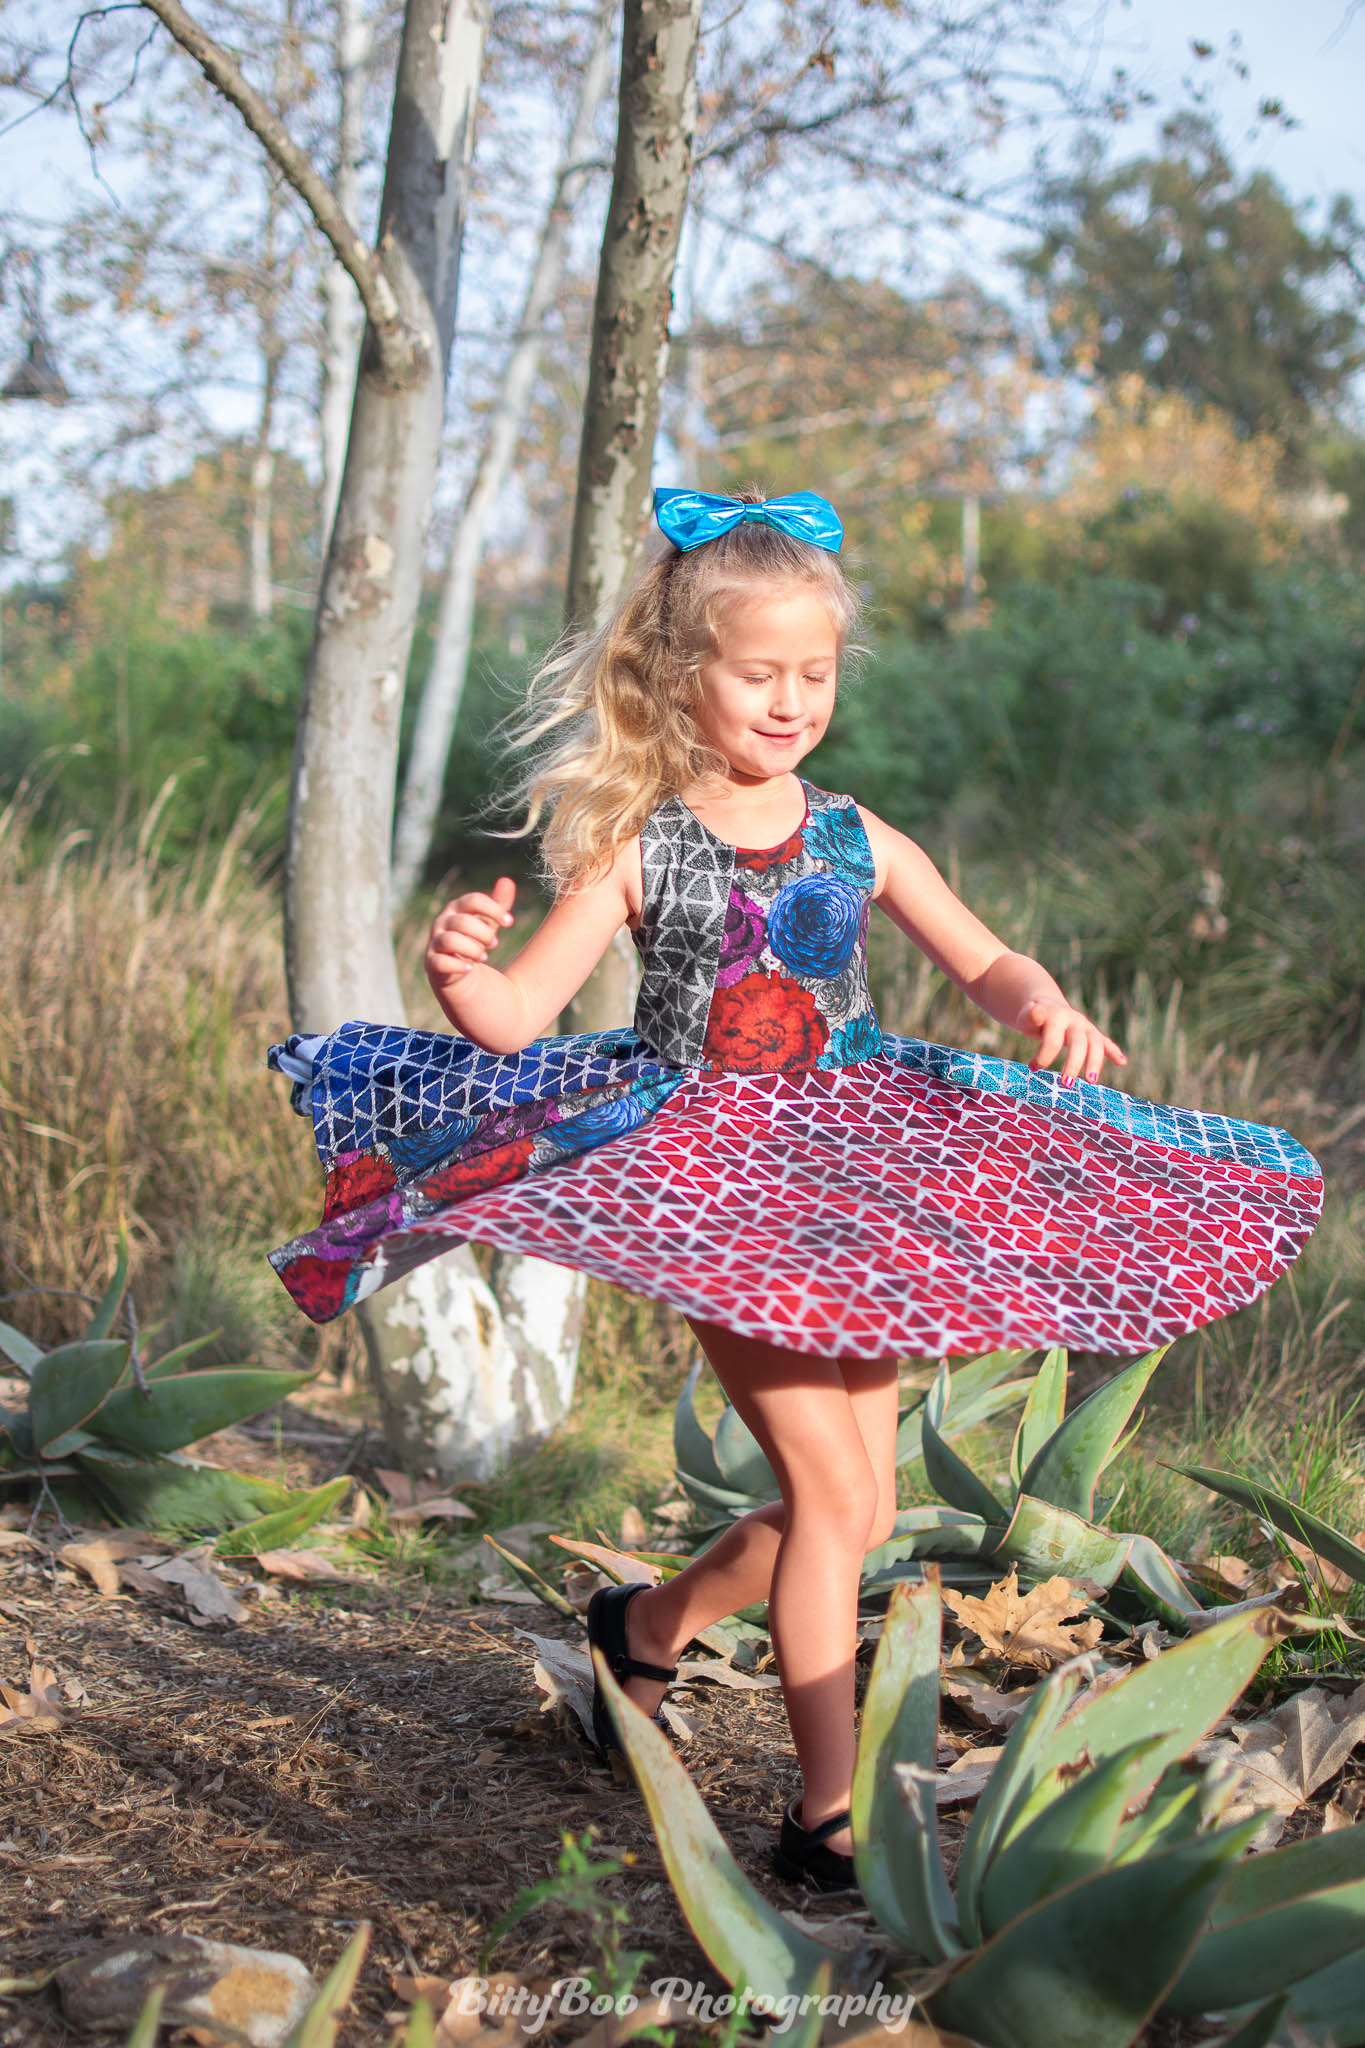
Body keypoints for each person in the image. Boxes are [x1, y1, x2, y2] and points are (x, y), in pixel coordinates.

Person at [266, 486, 1323, 1895]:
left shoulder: (856, 833)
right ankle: (824, 1810)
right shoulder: (643, 847)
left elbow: (980, 954)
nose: (786, 702)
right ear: (673, 674)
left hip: (857, 1178)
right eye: (755, 672)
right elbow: (518, 1016)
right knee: (833, 1504)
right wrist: (463, 973)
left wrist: (1041, 1001)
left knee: (866, 1512)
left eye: (811, 674)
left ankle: (641, 1630)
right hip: (711, 1186)